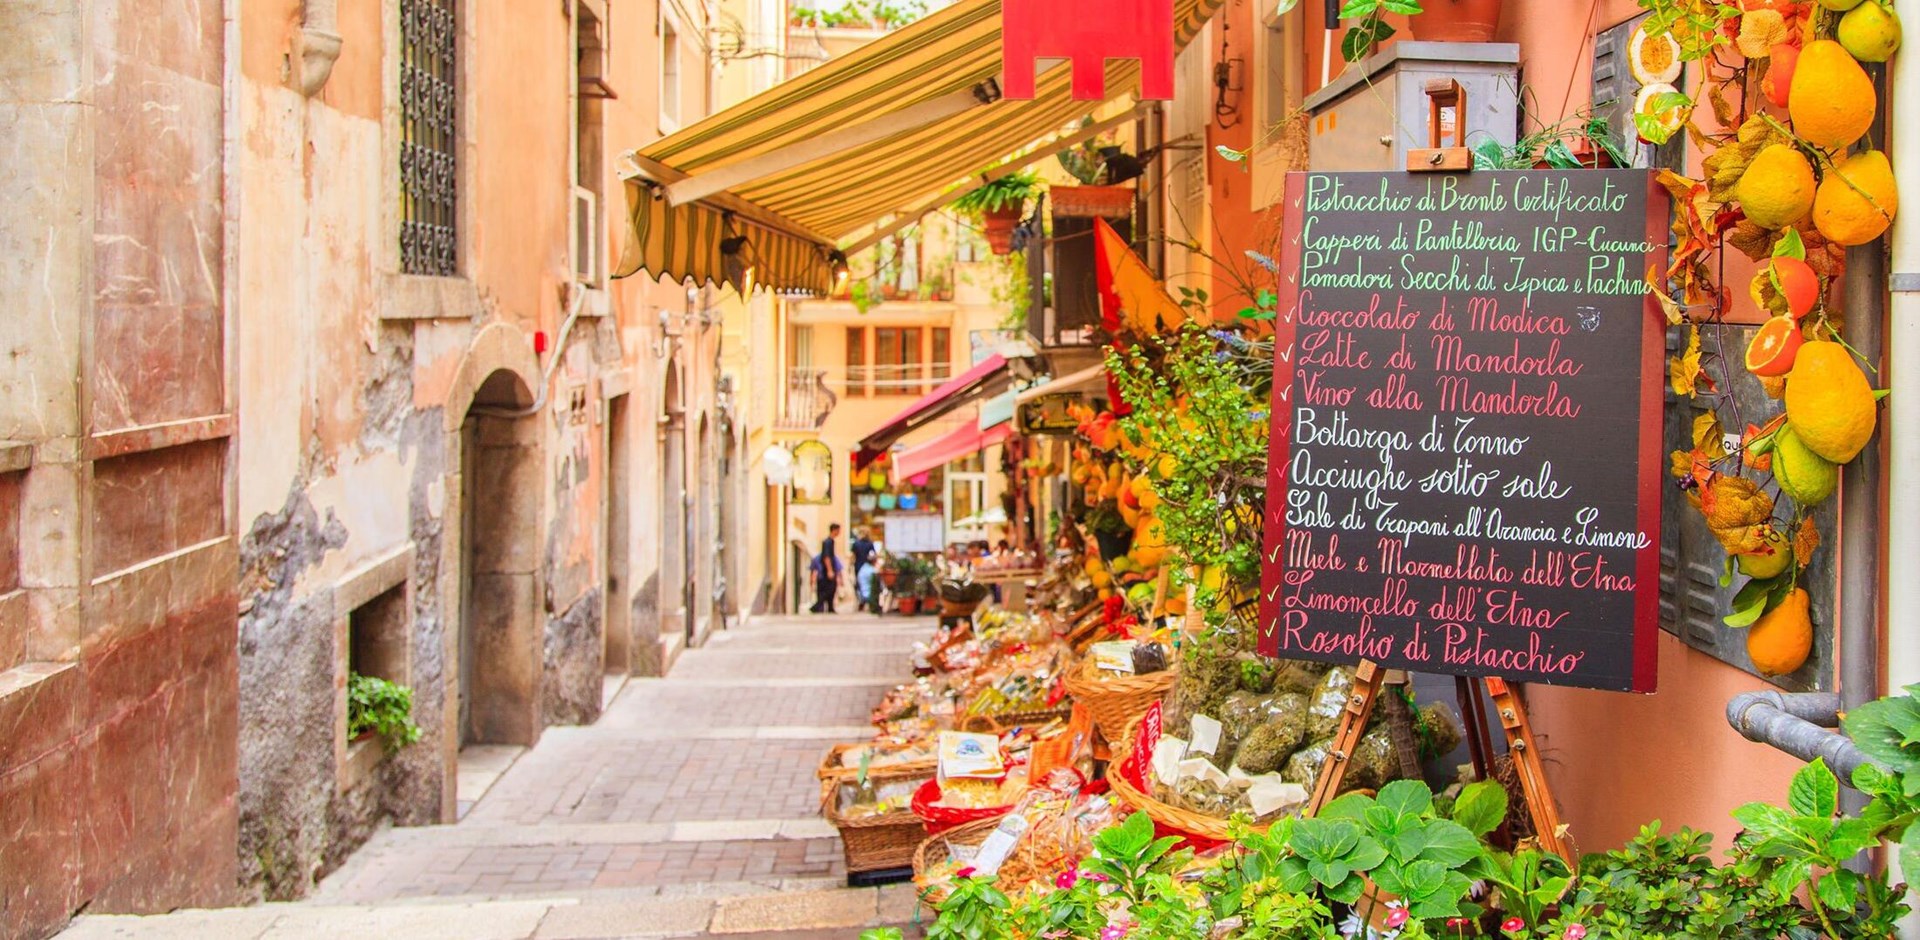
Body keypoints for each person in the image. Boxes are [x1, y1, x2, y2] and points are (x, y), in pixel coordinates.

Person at [810, 523, 843, 614]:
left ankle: (830, 607)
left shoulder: (830, 542)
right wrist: (829, 570)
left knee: (831, 589)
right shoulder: (827, 542)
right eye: (838, 530)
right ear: (834, 530)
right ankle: (816, 606)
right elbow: (827, 557)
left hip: (828, 569)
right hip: (827, 570)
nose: (839, 532)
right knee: (829, 589)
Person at [851, 528, 878, 613]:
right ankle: (868, 601)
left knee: (859, 585)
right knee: (869, 584)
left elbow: (853, 556)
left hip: (858, 566)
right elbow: (874, 555)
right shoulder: (870, 544)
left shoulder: (856, 544)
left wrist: (849, 566)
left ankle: (861, 601)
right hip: (867, 566)